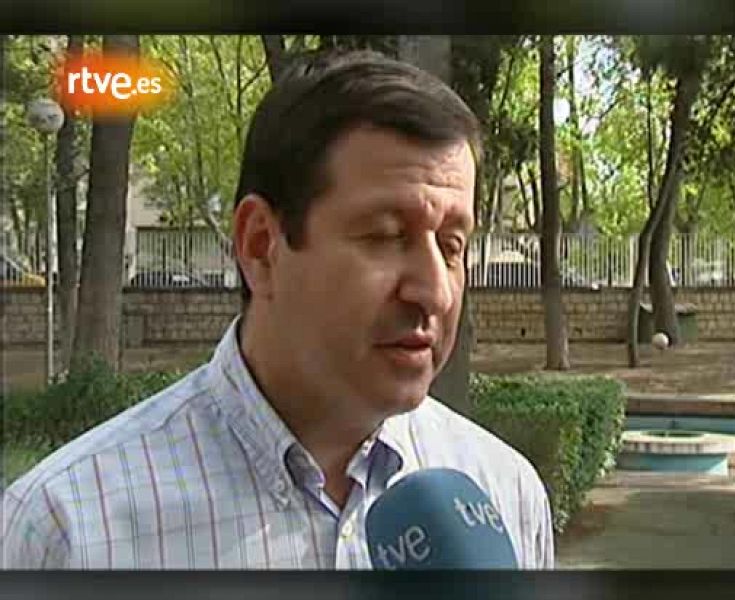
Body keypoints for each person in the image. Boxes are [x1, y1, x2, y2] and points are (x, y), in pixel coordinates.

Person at [3, 50, 554, 569]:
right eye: (386, 235)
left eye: (452, 246)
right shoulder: (70, 529)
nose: (436, 291)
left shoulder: (504, 492)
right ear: (261, 245)